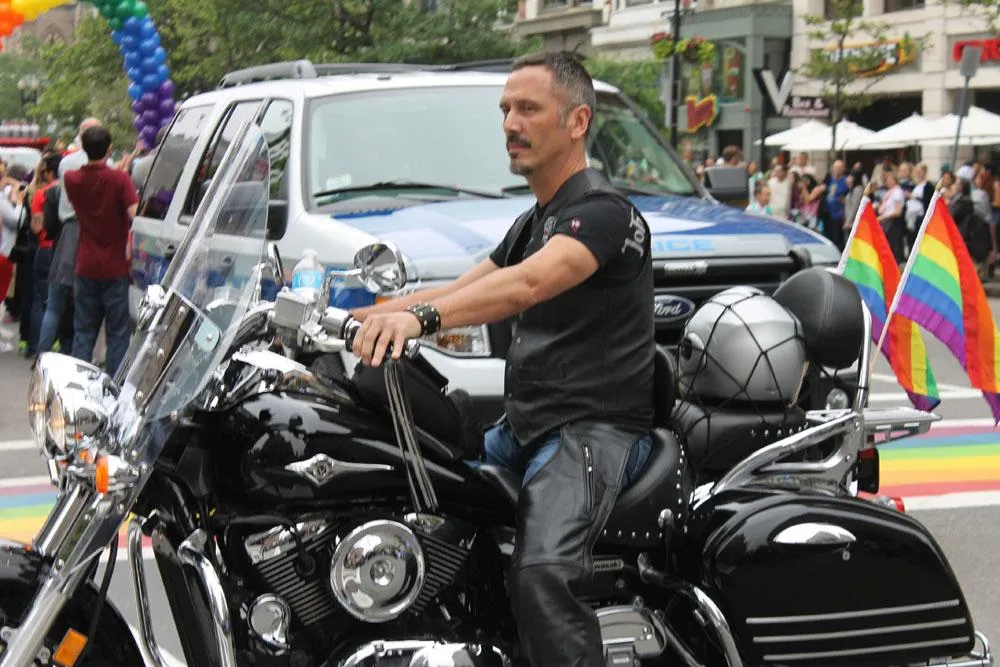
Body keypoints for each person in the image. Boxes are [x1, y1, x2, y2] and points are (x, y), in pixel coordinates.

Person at [347, 51, 654, 666]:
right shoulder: (536, 220)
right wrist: (348, 316)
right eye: (506, 110)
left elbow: (526, 285)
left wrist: (419, 321)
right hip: (526, 428)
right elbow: (465, 287)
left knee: (543, 572)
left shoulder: (603, 213)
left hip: (591, 433)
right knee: (421, 501)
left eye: (529, 109)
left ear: (577, 121)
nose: (511, 123)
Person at [62, 126, 139, 377]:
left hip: (85, 265)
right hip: (115, 267)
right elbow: (134, 213)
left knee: (84, 331)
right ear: (110, 148)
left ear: (83, 148)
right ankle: (112, 384)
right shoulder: (119, 180)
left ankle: (79, 383)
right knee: (117, 333)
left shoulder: (71, 179)